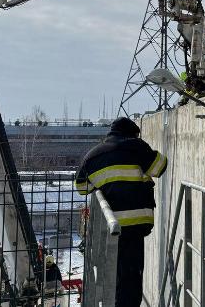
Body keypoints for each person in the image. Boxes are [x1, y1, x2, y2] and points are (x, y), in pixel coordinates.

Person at [75, 117, 168, 307]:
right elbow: (160, 167)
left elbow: (82, 187)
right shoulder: (136, 146)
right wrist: (143, 149)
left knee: (113, 276)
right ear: (132, 133)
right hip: (135, 225)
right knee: (131, 278)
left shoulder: (93, 155)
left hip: (108, 225)